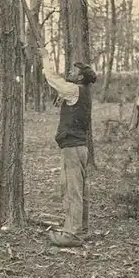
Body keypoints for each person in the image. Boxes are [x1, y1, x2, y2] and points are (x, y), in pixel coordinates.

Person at [39, 47, 97, 247]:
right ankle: (81, 229)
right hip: (79, 146)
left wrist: (46, 58)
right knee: (79, 189)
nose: (69, 73)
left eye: (73, 72)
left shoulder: (74, 90)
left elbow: (52, 78)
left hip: (73, 146)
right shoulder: (82, 91)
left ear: (80, 76)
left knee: (72, 190)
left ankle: (72, 234)